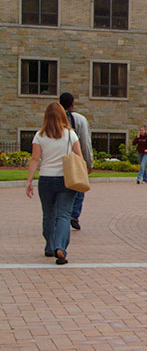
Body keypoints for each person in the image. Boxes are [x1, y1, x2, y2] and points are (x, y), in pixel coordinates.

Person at [26, 103, 83, 265]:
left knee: (48, 214)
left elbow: (35, 159)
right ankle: (60, 247)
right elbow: (79, 156)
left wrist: (29, 181)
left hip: (46, 179)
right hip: (67, 179)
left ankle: (50, 246)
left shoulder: (39, 135)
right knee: (64, 215)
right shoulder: (71, 135)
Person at [59, 92, 93, 231]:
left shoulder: (52, 120)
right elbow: (85, 142)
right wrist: (89, 162)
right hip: (74, 158)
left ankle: (60, 215)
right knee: (78, 187)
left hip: (57, 160)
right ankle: (73, 215)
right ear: (72, 104)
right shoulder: (79, 120)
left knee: (60, 188)